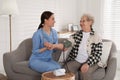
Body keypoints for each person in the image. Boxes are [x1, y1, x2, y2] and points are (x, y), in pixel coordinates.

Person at [64, 14, 103, 80]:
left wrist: (87, 64)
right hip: (77, 60)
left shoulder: (96, 36)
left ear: (90, 22)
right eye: (80, 21)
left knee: (85, 72)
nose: (81, 23)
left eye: (83, 21)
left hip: (91, 62)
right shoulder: (77, 34)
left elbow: (97, 54)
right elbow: (70, 41)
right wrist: (65, 46)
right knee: (65, 69)